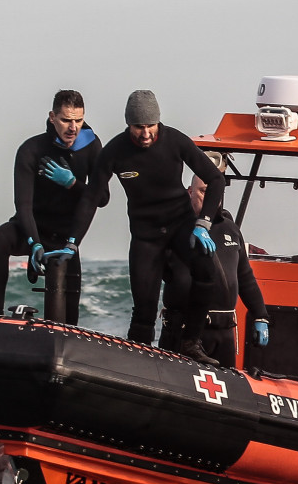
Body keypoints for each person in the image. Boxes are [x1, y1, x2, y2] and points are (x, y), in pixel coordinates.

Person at [69, 90, 226, 358]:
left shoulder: (175, 141)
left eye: (150, 126)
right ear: (128, 124)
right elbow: (91, 198)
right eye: (138, 127)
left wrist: (204, 223)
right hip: (145, 235)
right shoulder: (115, 151)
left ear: (158, 122)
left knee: (205, 271)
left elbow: (216, 180)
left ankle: (191, 343)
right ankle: (138, 357)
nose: (145, 133)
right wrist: (72, 241)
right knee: (144, 306)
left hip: (181, 224)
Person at [0, 89, 102, 323]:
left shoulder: (90, 146)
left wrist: (72, 184)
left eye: (78, 120)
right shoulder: (32, 149)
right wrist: (34, 242)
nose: (73, 127)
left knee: (69, 323)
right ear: (52, 117)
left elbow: (102, 198)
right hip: (32, 228)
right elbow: (23, 204)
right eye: (66, 120)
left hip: (65, 237)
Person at [158, 151, 270, 365]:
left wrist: (260, 315)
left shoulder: (230, 228)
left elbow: (245, 276)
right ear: (190, 192)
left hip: (224, 331)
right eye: (202, 192)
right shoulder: (175, 228)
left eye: (213, 192)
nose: (209, 198)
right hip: (186, 329)